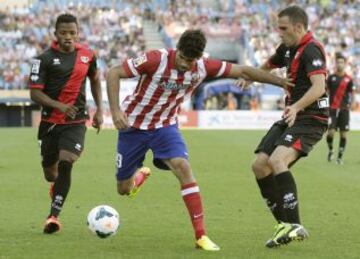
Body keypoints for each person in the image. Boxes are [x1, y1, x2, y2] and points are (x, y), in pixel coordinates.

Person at [106, 29, 293, 251]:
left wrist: (280, 82)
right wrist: (116, 110)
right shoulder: (156, 59)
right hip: (132, 126)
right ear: (178, 50)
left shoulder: (204, 66)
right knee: (123, 189)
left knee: (183, 168)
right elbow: (113, 73)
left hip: (164, 126)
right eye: (183, 58)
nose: (186, 64)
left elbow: (243, 70)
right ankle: (138, 177)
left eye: (191, 60)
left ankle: (201, 235)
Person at [248, 6, 328, 248]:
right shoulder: (287, 48)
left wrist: (296, 107)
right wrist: (249, 75)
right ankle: (284, 225)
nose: (278, 32)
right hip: (292, 115)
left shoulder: (311, 49)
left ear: (298, 27)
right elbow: (266, 66)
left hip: (311, 117)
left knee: (277, 161)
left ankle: (295, 225)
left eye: (283, 28)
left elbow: (319, 87)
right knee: (260, 166)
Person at [29, 14, 103, 234]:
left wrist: (99, 109)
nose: (68, 37)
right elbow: (34, 94)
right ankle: (56, 187)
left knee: (67, 161)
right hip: (50, 123)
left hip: (76, 120)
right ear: (55, 34)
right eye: (63, 33)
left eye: (72, 33)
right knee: (51, 174)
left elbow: (95, 79)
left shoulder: (88, 56)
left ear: (78, 33)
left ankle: (53, 216)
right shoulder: (42, 59)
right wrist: (58, 105)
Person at [326, 53, 355, 165]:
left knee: (343, 135)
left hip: (344, 110)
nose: (340, 64)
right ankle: (331, 150)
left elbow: (351, 94)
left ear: (345, 64)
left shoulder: (348, 79)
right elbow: (325, 92)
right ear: (335, 64)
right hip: (332, 109)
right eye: (338, 62)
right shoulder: (331, 78)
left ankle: (339, 157)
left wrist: (352, 103)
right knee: (330, 134)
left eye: (342, 62)